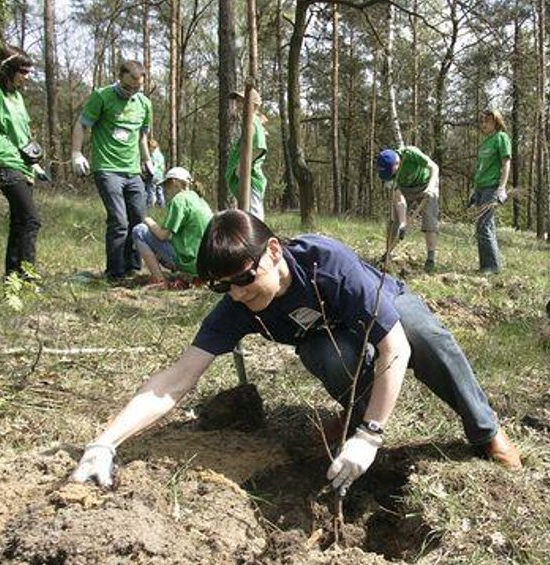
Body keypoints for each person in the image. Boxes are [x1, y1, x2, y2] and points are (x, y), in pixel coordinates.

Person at [70, 210, 522, 492]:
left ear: (272, 251)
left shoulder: (325, 262)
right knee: (327, 357)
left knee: (426, 336)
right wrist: (104, 441)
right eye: (221, 286)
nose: (237, 294)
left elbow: (396, 347)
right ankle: (354, 414)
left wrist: (371, 437)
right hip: (327, 336)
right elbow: (177, 379)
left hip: (380, 306)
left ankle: (484, 431)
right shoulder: (236, 303)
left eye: (244, 279)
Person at [71, 60, 154, 282]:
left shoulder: (144, 104)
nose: (131, 92)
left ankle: (133, 268)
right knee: (119, 221)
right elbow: (82, 124)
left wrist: (147, 160)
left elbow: (142, 135)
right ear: (119, 77)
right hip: (108, 169)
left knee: (139, 220)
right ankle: (115, 273)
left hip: (133, 170)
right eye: (127, 87)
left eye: (137, 88)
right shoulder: (102, 96)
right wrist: (76, 153)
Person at [0, 46, 46, 280]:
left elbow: (22, 134)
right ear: (7, 69)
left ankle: (12, 278)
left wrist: (33, 162)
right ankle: (27, 277)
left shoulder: (16, 96)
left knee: (19, 221)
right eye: (22, 71)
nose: (26, 77)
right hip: (3, 161)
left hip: (22, 163)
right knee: (30, 219)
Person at [131, 167, 213, 288]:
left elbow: (162, 236)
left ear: (174, 181)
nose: (164, 190)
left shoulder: (179, 200)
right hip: (206, 261)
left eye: (166, 185)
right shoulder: (199, 199)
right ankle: (194, 277)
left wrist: (148, 220)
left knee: (139, 230)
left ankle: (160, 281)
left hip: (189, 260)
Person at [376, 147, 440, 272]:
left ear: (397, 163)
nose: (391, 176)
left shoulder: (410, 154)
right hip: (405, 189)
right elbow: (399, 200)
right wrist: (403, 222)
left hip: (426, 185)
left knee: (430, 221)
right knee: (394, 221)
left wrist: (431, 187)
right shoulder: (387, 176)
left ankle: (430, 259)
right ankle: (388, 254)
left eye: (392, 172)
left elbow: (434, 167)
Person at [469, 108, 511, 274]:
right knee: (486, 226)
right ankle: (487, 265)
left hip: (492, 187)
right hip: (480, 187)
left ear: (496, 122)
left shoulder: (501, 138)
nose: (483, 124)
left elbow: (506, 163)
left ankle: (492, 267)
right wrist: (474, 190)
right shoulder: (485, 142)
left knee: (483, 226)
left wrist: (502, 188)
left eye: (487, 121)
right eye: (482, 121)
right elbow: (480, 168)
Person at [225, 88, 267, 221]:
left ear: (254, 105)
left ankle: (258, 240)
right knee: (246, 211)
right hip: (245, 176)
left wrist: (242, 168)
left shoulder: (253, 122)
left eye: (243, 102)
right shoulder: (250, 122)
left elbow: (259, 148)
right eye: (238, 102)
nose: (239, 106)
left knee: (254, 214)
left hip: (251, 177)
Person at [144, 137, 166, 208]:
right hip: (161, 176)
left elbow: (154, 166)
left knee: (151, 191)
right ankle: (161, 205)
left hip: (154, 175)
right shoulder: (160, 155)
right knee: (160, 191)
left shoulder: (154, 155)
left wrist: (151, 171)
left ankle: (150, 205)